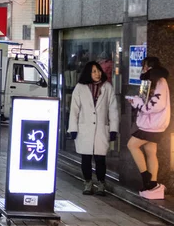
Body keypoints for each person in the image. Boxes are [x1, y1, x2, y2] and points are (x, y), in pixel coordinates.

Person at [67, 61, 119, 195]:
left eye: (99, 71)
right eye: (94, 71)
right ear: (88, 73)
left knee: (100, 159)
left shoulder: (107, 87)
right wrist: (73, 128)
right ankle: (88, 183)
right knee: (86, 158)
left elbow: (113, 109)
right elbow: (74, 109)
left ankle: (101, 184)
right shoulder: (80, 87)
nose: (97, 73)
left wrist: (113, 129)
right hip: (85, 128)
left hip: (101, 128)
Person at [127, 57, 170, 200]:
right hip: (152, 123)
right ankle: (152, 184)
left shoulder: (159, 81)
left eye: (144, 65)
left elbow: (156, 104)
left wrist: (137, 103)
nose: (143, 68)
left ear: (149, 66)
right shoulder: (153, 80)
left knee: (132, 145)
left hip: (152, 124)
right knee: (150, 151)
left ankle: (146, 176)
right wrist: (137, 101)